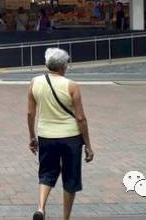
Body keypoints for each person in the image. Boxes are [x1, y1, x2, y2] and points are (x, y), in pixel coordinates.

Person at [27, 48, 93, 220]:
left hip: (46, 136)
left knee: (46, 173)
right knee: (70, 178)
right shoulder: (72, 86)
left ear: (47, 64)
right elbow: (80, 118)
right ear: (63, 66)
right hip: (71, 137)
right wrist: (88, 145)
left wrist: (32, 137)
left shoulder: (34, 83)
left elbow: (30, 114)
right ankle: (65, 218)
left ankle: (40, 208)